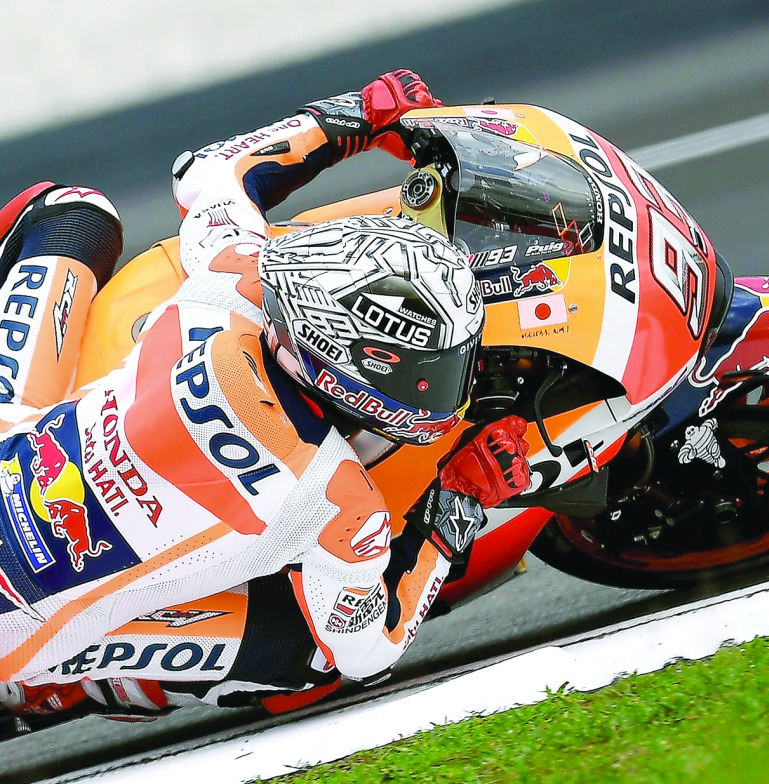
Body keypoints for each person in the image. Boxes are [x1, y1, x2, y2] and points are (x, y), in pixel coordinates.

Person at [0, 69, 531, 724]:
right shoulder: (339, 500)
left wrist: (357, 115)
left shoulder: (232, 283)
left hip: (13, 438)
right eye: (430, 371)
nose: (449, 384)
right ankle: (64, 685)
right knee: (309, 657)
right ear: (346, 369)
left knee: (68, 214)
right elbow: (367, 650)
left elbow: (209, 171)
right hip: (13, 633)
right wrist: (460, 501)